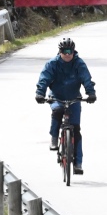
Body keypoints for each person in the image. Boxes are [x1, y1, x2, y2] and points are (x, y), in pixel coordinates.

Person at [34, 37, 96, 171]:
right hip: (57, 97)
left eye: (70, 51)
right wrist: (40, 93)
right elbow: (44, 79)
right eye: (65, 51)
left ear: (74, 51)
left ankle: (78, 163)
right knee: (57, 112)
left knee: (76, 129)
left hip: (74, 98)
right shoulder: (52, 64)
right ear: (60, 51)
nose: (68, 54)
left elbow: (86, 78)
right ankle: (54, 137)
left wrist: (91, 93)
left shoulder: (79, 63)